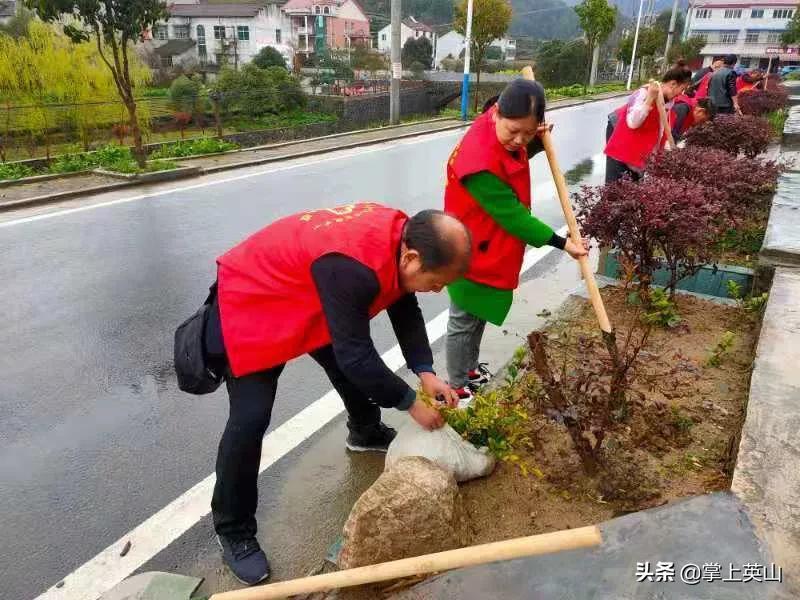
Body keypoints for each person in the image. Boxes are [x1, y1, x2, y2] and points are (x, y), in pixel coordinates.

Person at [199, 203, 470, 584]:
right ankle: (232, 528)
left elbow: (402, 301)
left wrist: (425, 371)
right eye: (438, 281)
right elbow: (357, 355)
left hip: (309, 290)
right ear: (411, 256)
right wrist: (410, 404)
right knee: (251, 417)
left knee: (344, 356)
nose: (438, 290)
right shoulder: (352, 268)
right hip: (257, 295)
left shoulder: (403, 236)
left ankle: (365, 432)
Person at [443, 79, 588, 402]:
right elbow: (512, 215)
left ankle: (468, 370)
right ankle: (456, 386)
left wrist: (533, 142)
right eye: (513, 131)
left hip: (486, 240)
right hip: (468, 247)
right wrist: (561, 242)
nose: (519, 140)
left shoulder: (495, 126)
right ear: (497, 113)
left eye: (528, 132)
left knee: (477, 314)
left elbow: (511, 155)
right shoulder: (476, 162)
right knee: (463, 319)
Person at [604, 61, 692, 183]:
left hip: (637, 137)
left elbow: (660, 134)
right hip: (620, 129)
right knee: (616, 182)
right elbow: (633, 122)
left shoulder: (668, 104)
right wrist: (649, 99)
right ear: (673, 84)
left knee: (633, 181)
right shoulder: (645, 92)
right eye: (682, 89)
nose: (681, 94)